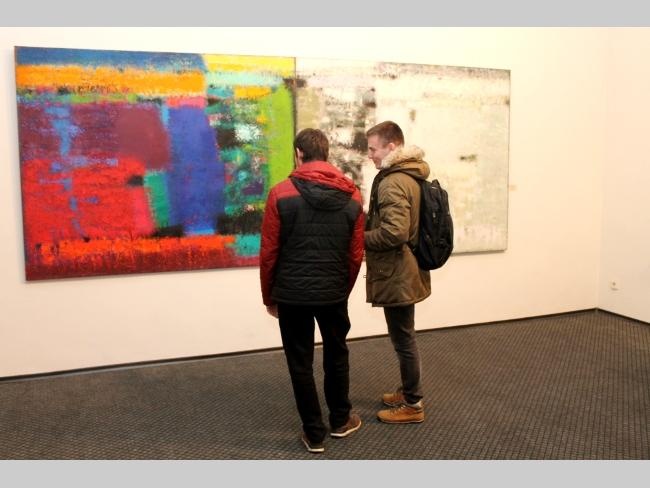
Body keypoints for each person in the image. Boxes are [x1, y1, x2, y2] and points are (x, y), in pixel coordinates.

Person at [260, 128, 365, 453]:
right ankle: (341, 420)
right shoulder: (353, 196)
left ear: (298, 154)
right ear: (326, 153)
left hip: (292, 294)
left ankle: (314, 433)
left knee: (300, 362)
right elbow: (355, 254)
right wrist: (342, 288)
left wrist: (269, 296)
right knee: (337, 354)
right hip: (333, 291)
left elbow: (269, 253)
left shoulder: (280, 194)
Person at [364, 121, 431, 424]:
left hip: (398, 272)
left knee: (403, 339)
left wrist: (358, 238)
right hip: (406, 268)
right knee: (404, 336)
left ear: (391, 147)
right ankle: (408, 391)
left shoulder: (393, 182)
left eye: (372, 149)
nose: (370, 155)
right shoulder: (411, 175)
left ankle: (413, 404)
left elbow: (394, 232)